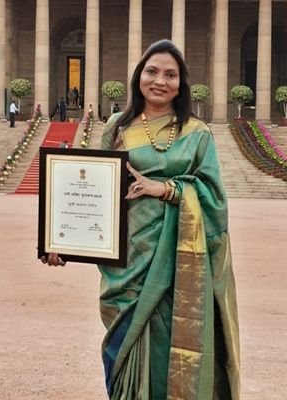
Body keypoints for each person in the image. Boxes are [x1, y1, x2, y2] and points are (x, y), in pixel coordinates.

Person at [41, 39, 240, 399]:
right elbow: (94, 194)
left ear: (181, 83)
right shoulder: (117, 127)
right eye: (152, 71)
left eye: (170, 74)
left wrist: (165, 189)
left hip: (177, 269)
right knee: (124, 361)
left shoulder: (197, 133)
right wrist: (63, 243)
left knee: (167, 360)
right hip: (126, 266)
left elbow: (215, 202)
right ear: (138, 77)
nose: (159, 81)